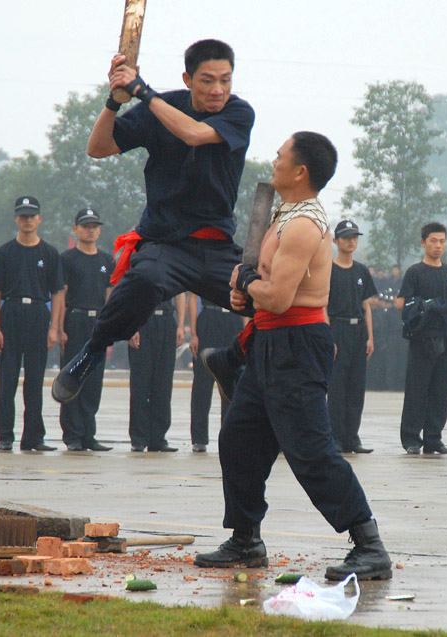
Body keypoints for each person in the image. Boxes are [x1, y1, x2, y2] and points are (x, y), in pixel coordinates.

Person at [194, 132, 392, 582]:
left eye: (282, 155)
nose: (275, 159)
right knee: (239, 440)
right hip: (268, 343)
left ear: (300, 171)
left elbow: (280, 297)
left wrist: (246, 283)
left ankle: (369, 545)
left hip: (297, 346)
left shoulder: (304, 225)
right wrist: (244, 287)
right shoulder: (283, 214)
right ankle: (246, 540)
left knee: (311, 451)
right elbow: (261, 290)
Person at [51, 38, 255, 404]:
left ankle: (233, 361)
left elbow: (193, 134)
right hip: (166, 244)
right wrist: (115, 99)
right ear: (188, 79)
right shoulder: (160, 107)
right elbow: (98, 148)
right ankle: (92, 353)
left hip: (217, 248)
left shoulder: (238, 113)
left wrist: (143, 91)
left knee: (275, 303)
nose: (218, 89)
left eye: (226, 79)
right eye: (208, 80)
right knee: (142, 279)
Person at [0, 196, 64, 452]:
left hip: (37, 314)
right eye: (23, 216)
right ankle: (5, 436)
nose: (27, 220)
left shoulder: (49, 253)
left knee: (34, 381)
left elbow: (57, 292)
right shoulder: (4, 252)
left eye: (32, 215)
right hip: (11, 313)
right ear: (16, 219)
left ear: (39, 219)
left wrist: (54, 327)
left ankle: (33, 437)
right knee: (7, 380)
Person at [396, 221, 447, 454]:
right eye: (433, 241)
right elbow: (400, 302)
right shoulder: (415, 272)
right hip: (422, 339)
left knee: (440, 391)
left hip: (446, 338)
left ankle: (434, 438)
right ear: (423, 242)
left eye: (442, 241)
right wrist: (425, 305)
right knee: (417, 389)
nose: (438, 245)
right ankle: (412, 438)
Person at [58, 209, 114, 452]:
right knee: (73, 376)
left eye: (94, 225)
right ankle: (72, 434)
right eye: (85, 225)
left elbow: (111, 297)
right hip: (74, 320)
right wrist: (58, 328)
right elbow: (61, 296)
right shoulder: (68, 259)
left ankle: (89, 435)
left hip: (98, 323)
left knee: (93, 380)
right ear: (76, 229)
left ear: (99, 230)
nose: (90, 229)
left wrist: (111, 327)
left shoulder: (107, 260)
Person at [326, 219, 377, 454]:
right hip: (337, 329)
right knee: (336, 387)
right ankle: (335, 437)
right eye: (346, 237)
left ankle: (352, 438)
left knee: (356, 387)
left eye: (355, 237)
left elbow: (366, 306)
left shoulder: (361, 271)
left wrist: (370, 337)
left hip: (359, 333)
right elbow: (322, 307)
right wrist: (328, 337)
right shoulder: (328, 270)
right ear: (336, 241)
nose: (351, 241)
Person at [128, 294, 186, 452]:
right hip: (142, 322)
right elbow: (128, 294)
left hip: (167, 322)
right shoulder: (135, 267)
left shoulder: (174, 268)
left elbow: (180, 294)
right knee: (140, 382)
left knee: (164, 383)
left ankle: (158, 438)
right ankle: (139, 437)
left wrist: (180, 325)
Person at [188, 292, 245, 452]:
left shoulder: (240, 267)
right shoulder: (203, 266)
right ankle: (199, 438)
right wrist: (193, 333)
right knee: (202, 382)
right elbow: (193, 297)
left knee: (233, 381)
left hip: (234, 319)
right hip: (209, 318)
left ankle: (230, 435)